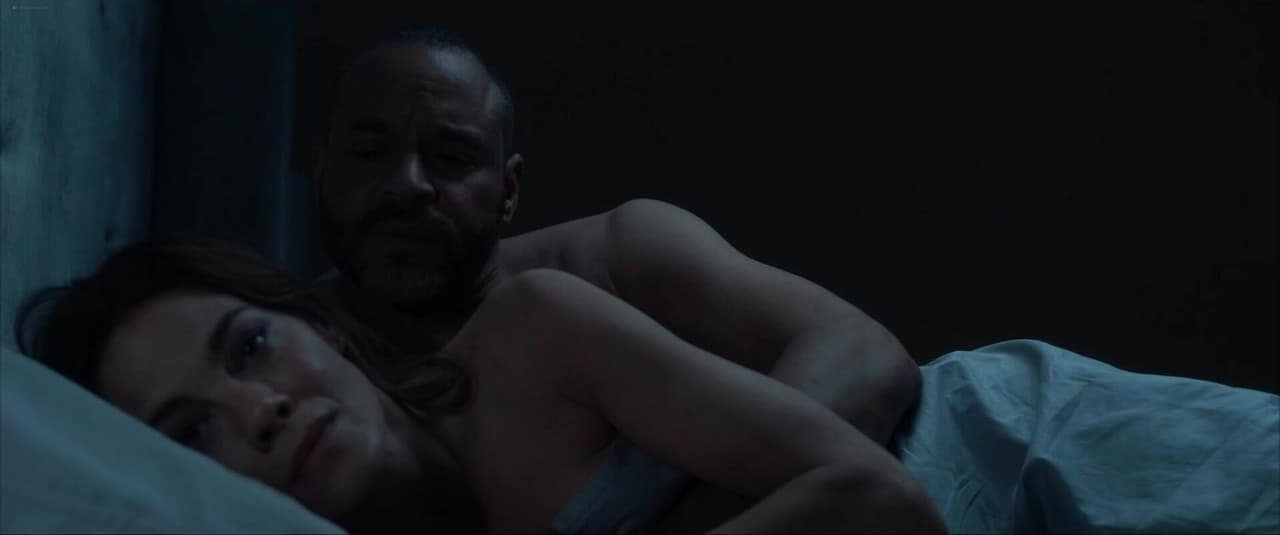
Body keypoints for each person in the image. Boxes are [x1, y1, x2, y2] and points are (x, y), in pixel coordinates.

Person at [16, 237, 947, 533]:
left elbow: (883, 501)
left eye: (253, 345)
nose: (259, 410)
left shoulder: (532, 340)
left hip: (990, 445)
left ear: (326, 326)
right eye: (191, 430)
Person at [311, 28, 919, 455]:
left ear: (509, 190)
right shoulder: (292, 357)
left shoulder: (616, 255)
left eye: (450, 157)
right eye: (368, 152)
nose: (407, 184)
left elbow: (863, 351)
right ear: (322, 169)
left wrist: (737, 502)